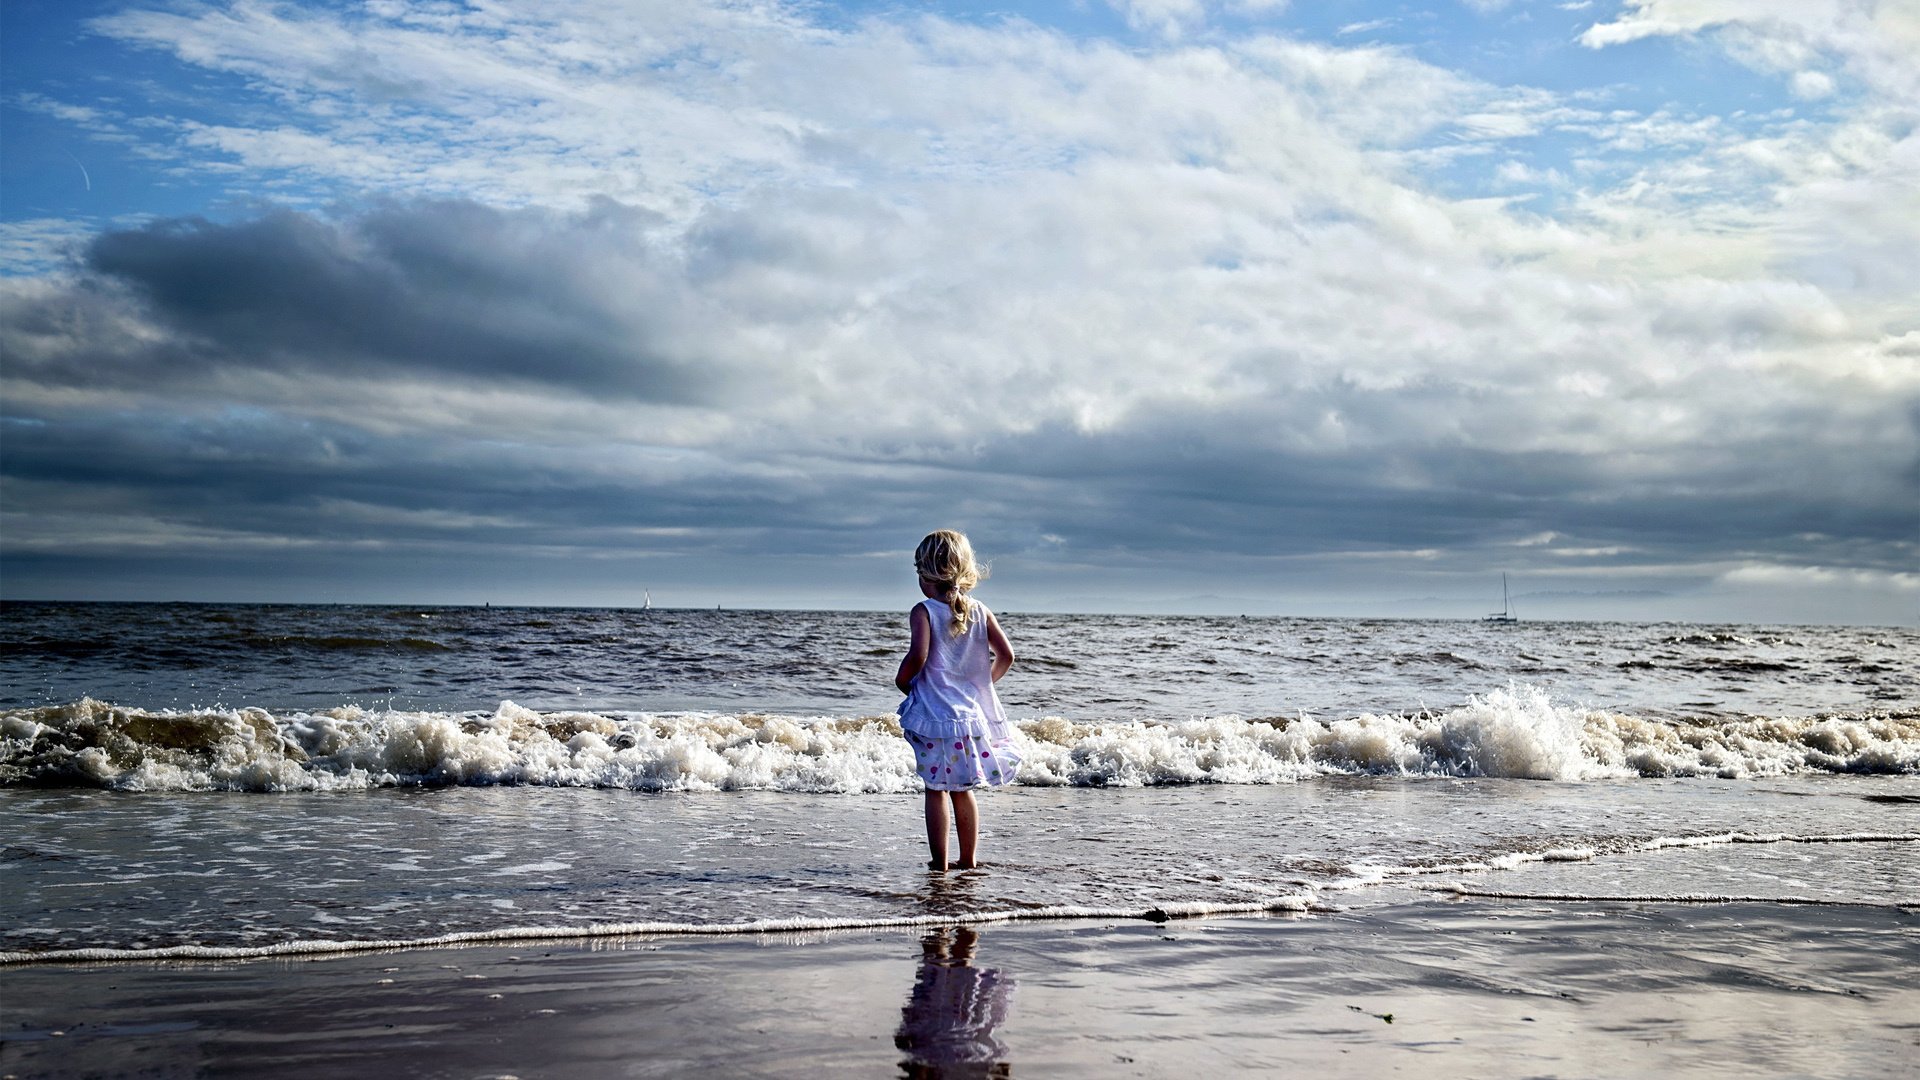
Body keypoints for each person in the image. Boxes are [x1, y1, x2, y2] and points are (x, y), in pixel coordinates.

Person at [895, 529, 1021, 871]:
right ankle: (969, 860)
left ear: (925, 576)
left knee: (935, 788)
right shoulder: (980, 610)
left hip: (935, 716)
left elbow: (917, 656)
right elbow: (1006, 655)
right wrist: (980, 687)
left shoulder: (924, 611)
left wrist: (903, 681)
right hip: (968, 718)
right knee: (963, 789)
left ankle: (941, 863)